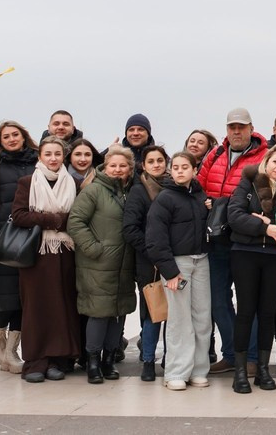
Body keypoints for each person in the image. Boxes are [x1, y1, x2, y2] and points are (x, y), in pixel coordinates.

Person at [228, 144, 276, 392]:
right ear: (267, 162)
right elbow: (235, 215)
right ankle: (240, 371)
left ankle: (263, 369)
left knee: (267, 313)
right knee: (245, 312)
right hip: (245, 254)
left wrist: (268, 222)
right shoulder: (248, 183)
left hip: (275, 256)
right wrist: (263, 228)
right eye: (275, 162)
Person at [198, 108, 269, 375]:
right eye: (231, 127)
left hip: (247, 238)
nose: (236, 132)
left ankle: (250, 357)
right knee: (218, 299)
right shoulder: (214, 154)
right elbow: (199, 185)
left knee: (249, 300)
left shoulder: (265, 155)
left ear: (251, 127)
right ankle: (231, 353)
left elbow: (270, 191)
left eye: (241, 127)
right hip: (217, 238)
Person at [10, 136, 80, 383]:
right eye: (48, 154)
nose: (53, 158)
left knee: (62, 306)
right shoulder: (28, 182)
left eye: (57, 154)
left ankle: (57, 359)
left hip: (64, 253)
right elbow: (19, 215)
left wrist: (51, 218)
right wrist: (54, 220)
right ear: (40, 156)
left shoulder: (72, 183)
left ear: (64, 157)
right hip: (37, 254)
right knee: (36, 307)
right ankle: (36, 361)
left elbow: (77, 217)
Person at [68, 144, 137, 384]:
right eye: (113, 165)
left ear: (130, 168)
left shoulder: (130, 191)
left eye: (122, 166)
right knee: (99, 313)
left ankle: (109, 359)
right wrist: (94, 248)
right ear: (105, 167)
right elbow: (75, 222)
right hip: (97, 264)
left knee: (118, 313)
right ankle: (93, 361)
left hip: (124, 264)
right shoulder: (93, 191)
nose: (117, 170)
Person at [0, 120, 39, 375]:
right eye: (6, 137)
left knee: (25, 296)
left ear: (24, 137)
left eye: (16, 135)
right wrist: (0, 224)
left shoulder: (38, 161)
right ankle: (0, 341)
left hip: (34, 236)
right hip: (9, 237)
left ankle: (12, 348)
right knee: (7, 296)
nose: (12, 139)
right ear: (0, 142)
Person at [146, 150, 212, 391]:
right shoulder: (164, 199)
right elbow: (155, 238)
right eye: (176, 167)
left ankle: (198, 369)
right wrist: (170, 271)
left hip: (201, 261)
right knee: (179, 320)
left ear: (195, 170)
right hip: (178, 264)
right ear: (171, 171)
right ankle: (176, 371)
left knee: (202, 318)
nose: (180, 171)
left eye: (185, 167)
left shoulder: (200, 196)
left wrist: (210, 207)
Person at [121, 145, 170, 382]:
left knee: (175, 314)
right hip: (149, 262)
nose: (157, 164)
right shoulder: (138, 192)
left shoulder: (175, 186)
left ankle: (171, 358)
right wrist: (153, 252)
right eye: (152, 161)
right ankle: (148, 360)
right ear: (144, 165)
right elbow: (130, 229)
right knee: (153, 312)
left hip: (174, 261)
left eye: (160, 160)